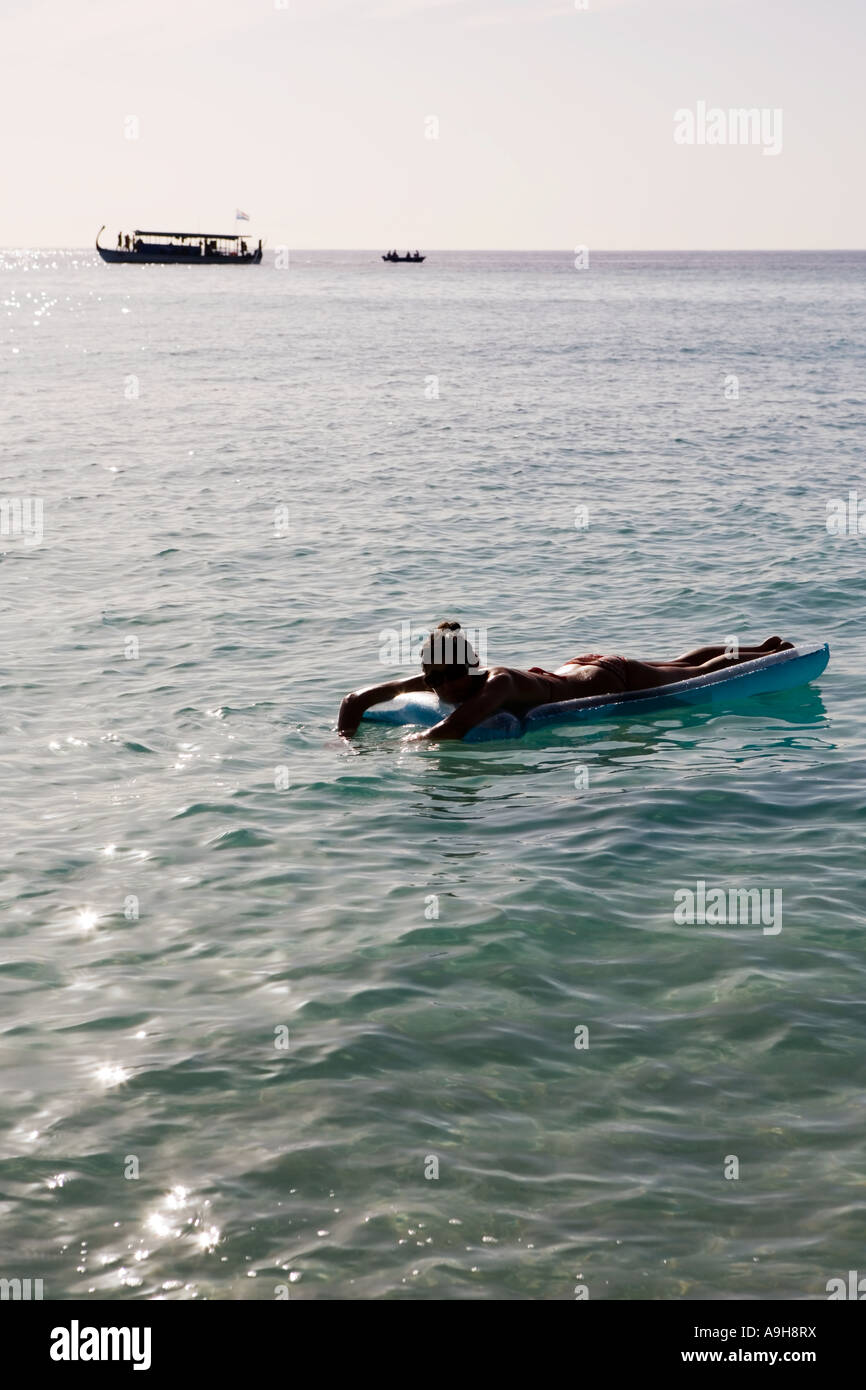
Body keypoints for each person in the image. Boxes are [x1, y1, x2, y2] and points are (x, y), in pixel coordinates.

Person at [337, 621, 794, 742]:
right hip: (569, 669)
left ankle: (766, 652)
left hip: (610, 677)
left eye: (442, 680)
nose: (435, 690)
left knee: (689, 671)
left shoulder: (497, 684)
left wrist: (405, 749)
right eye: (431, 680)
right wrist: (345, 736)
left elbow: (451, 731)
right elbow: (355, 698)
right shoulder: (442, 677)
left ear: (464, 671)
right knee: (678, 661)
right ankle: (761, 644)